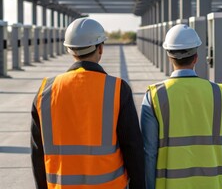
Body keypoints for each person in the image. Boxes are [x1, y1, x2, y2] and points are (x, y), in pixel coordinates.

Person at [30, 18, 146, 189]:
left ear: (70, 49)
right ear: (100, 48)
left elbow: (37, 152)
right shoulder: (118, 89)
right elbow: (133, 147)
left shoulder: (45, 92)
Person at [140, 24, 222, 189]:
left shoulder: (154, 95)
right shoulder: (217, 93)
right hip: (210, 183)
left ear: (169, 56)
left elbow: (149, 152)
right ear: (196, 57)